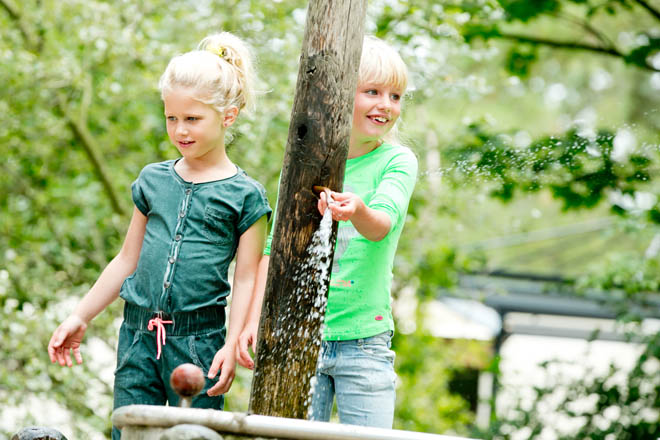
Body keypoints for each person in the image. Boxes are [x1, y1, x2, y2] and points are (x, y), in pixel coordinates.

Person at [47, 32, 271, 439]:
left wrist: (231, 343)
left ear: (229, 116)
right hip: (136, 335)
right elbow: (126, 260)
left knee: (194, 435)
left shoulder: (245, 195)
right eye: (172, 118)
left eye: (193, 119)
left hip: (201, 342)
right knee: (131, 430)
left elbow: (247, 277)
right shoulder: (152, 180)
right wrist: (80, 316)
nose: (180, 130)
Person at [237, 35, 417, 428]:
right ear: (340, 95)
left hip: (365, 343)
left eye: (396, 96)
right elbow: (274, 250)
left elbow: (381, 225)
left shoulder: (397, 161)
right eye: (372, 92)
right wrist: (253, 320)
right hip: (301, 336)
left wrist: (358, 209)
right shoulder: (307, 161)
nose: (386, 104)